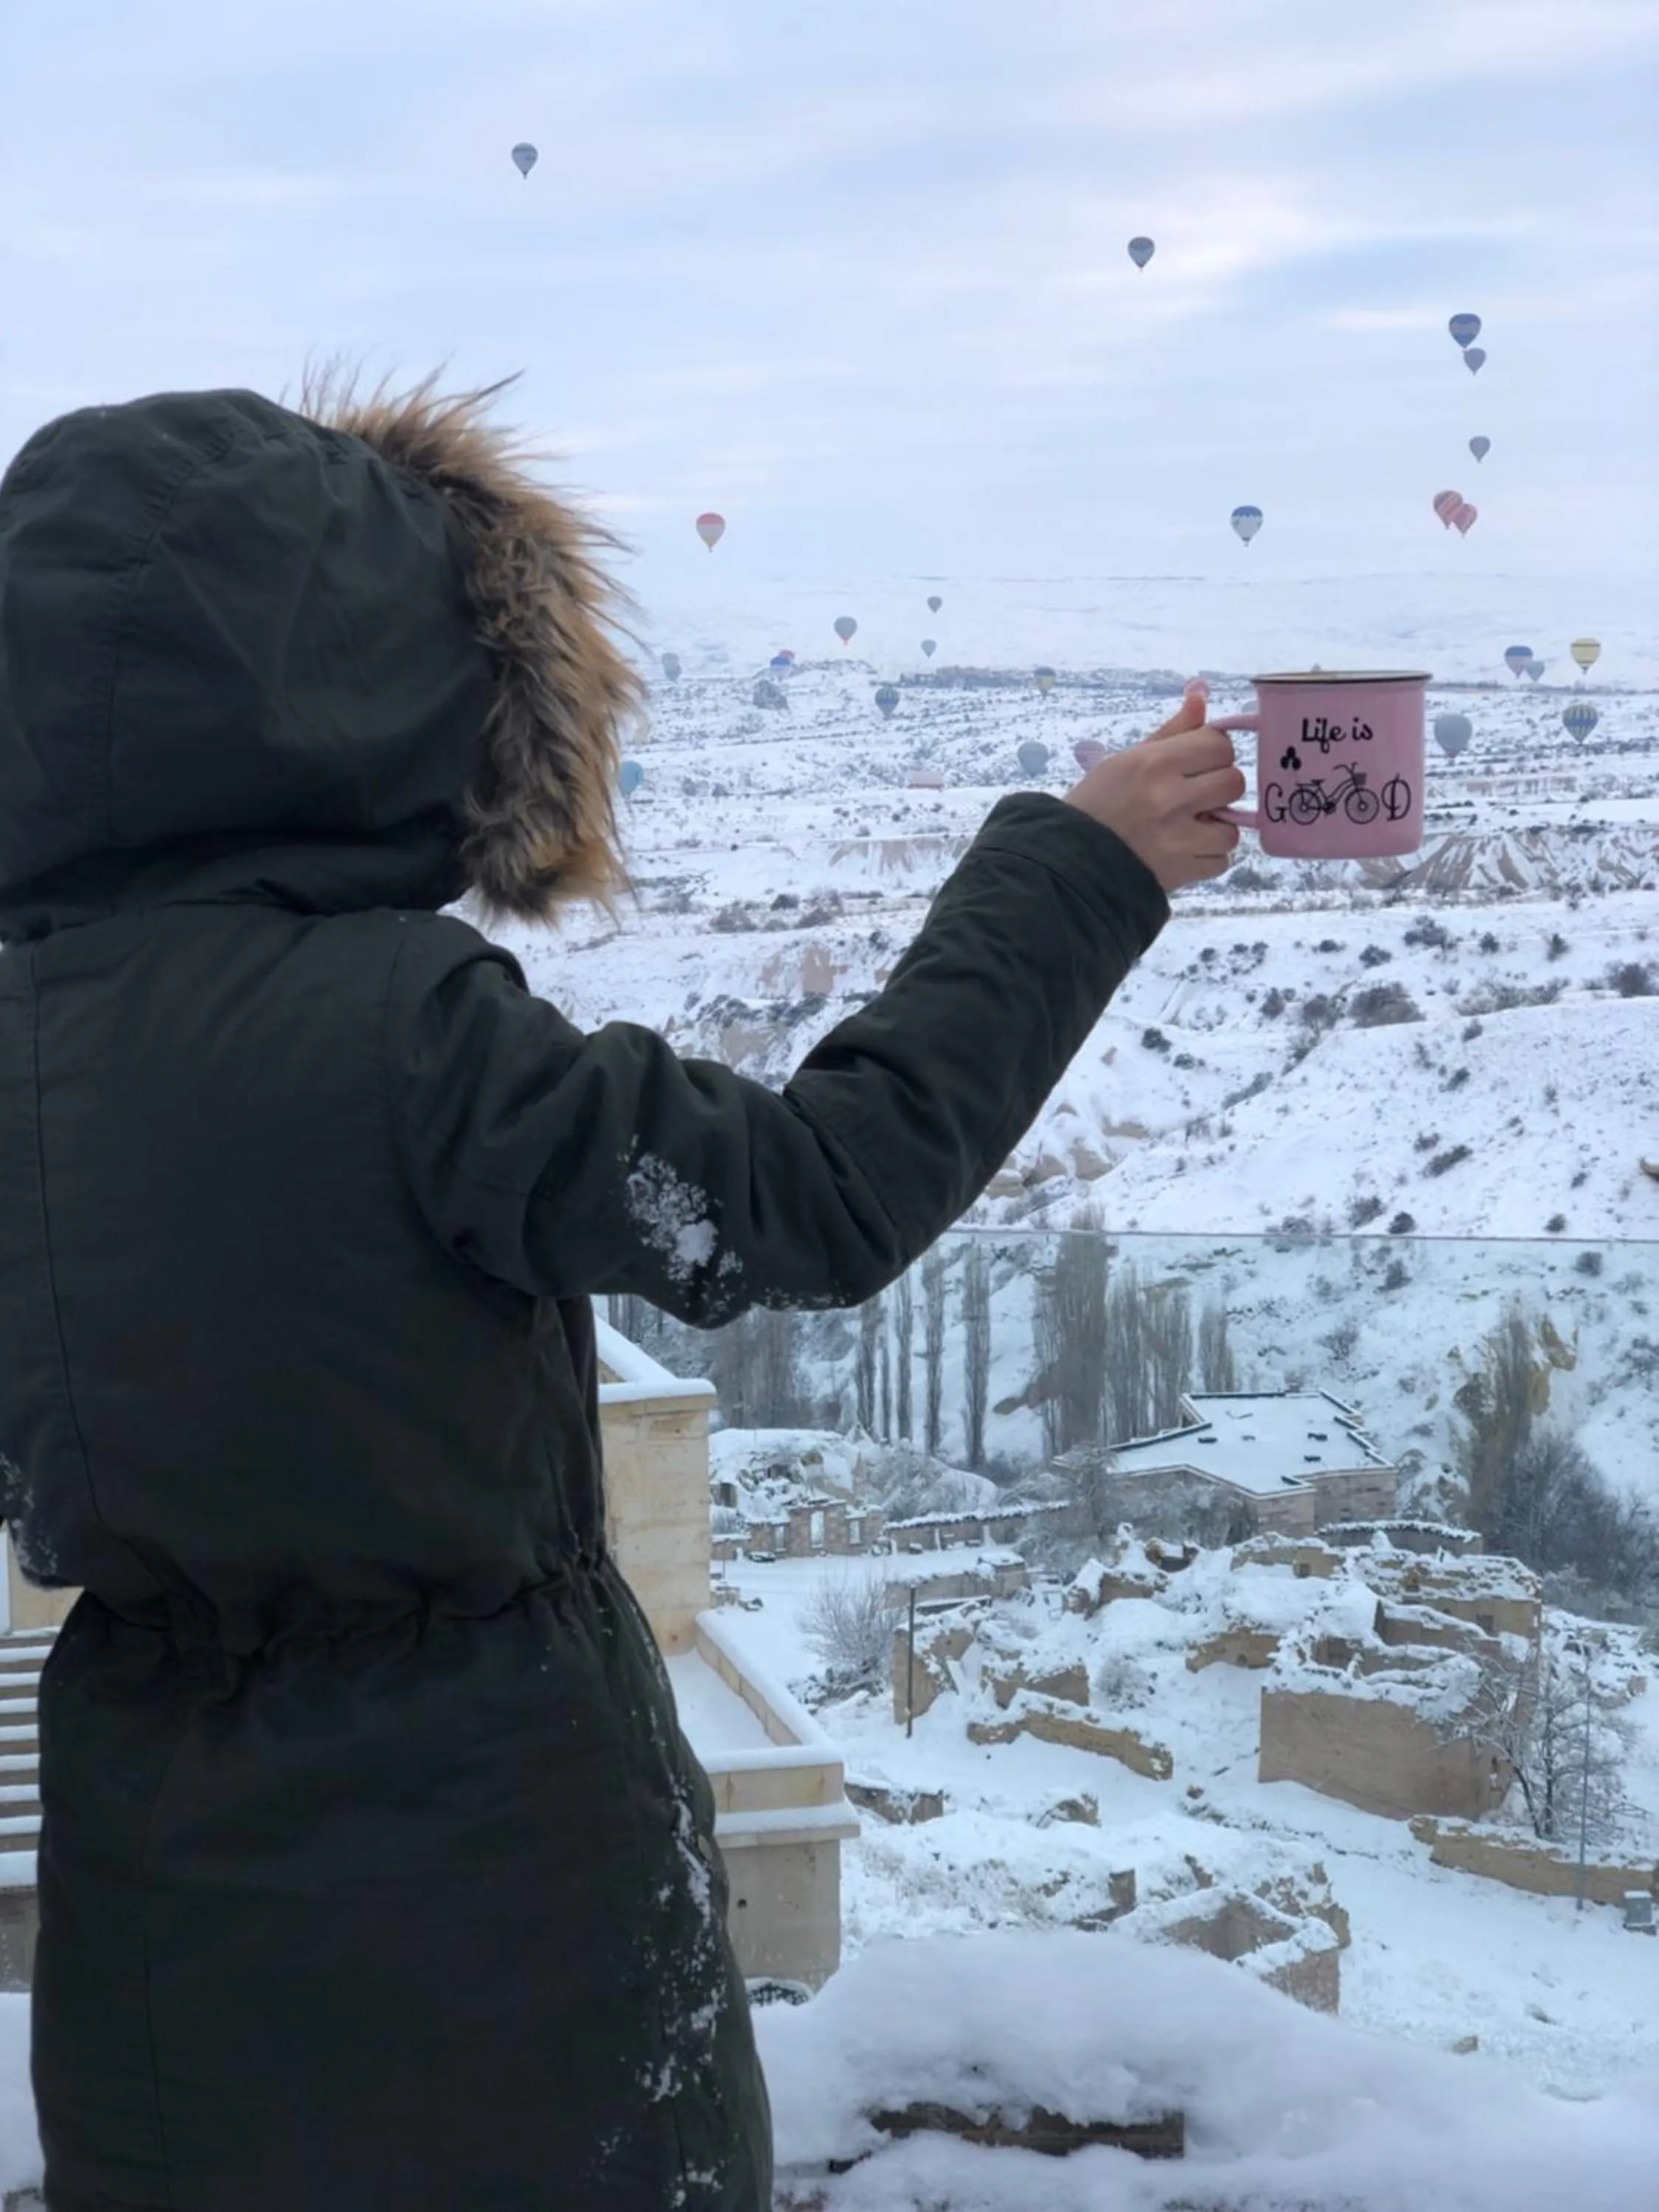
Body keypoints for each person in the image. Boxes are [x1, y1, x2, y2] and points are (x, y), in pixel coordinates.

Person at [0, 372, 1243, 2211]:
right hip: (501, 1905)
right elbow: (811, 1203)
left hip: (155, 1925)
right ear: (373, 684)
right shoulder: (403, 1037)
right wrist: (1080, 867)